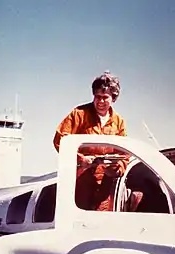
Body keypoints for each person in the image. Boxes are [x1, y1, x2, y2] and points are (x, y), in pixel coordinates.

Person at [53, 71, 142, 211]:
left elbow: (124, 154)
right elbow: (60, 139)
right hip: (79, 181)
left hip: (106, 186)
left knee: (100, 221)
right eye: (97, 97)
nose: (100, 101)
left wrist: (116, 169)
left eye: (105, 97)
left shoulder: (119, 122)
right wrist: (81, 159)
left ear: (113, 98)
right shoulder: (79, 114)